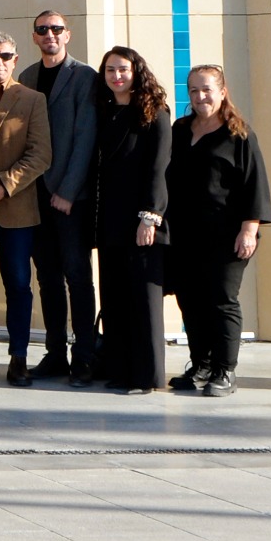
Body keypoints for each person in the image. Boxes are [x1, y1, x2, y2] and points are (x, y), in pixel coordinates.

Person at [164, 64, 271, 396]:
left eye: (207, 89)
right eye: (194, 90)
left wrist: (249, 230)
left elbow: (255, 185)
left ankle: (225, 370)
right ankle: (201, 364)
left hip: (226, 235)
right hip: (184, 233)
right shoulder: (181, 129)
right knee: (191, 300)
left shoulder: (238, 134)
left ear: (222, 92)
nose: (200, 97)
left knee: (222, 301)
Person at [19, 10, 100, 381]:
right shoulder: (27, 77)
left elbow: (86, 138)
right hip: (34, 196)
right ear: (35, 37)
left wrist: (68, 190)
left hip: (70, 199)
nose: (49, 34)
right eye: (42, 29)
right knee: (47, 278)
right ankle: (55, 354)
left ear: (67, 34)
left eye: (56, 29)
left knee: (77, 276)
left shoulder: (84, 77)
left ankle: (84, 355)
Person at [0, 32, 52, 384]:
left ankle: (19, 356)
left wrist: (2, 187)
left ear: (15, 60)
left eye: (5, 55)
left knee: (18, 282)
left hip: (16, 206)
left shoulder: (32, 99)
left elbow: (40, 154)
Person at [92, 47, 172, 395]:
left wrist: (150, 216)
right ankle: (120, 369)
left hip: (143, 220)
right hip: (110, 218)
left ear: (136, 71)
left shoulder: (156, 113)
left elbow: (159, 168)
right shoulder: (104, 111)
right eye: (110, 70)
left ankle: (146, 376)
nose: (117, 76)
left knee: (144, 300)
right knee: (114, 297)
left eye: (123, 69)